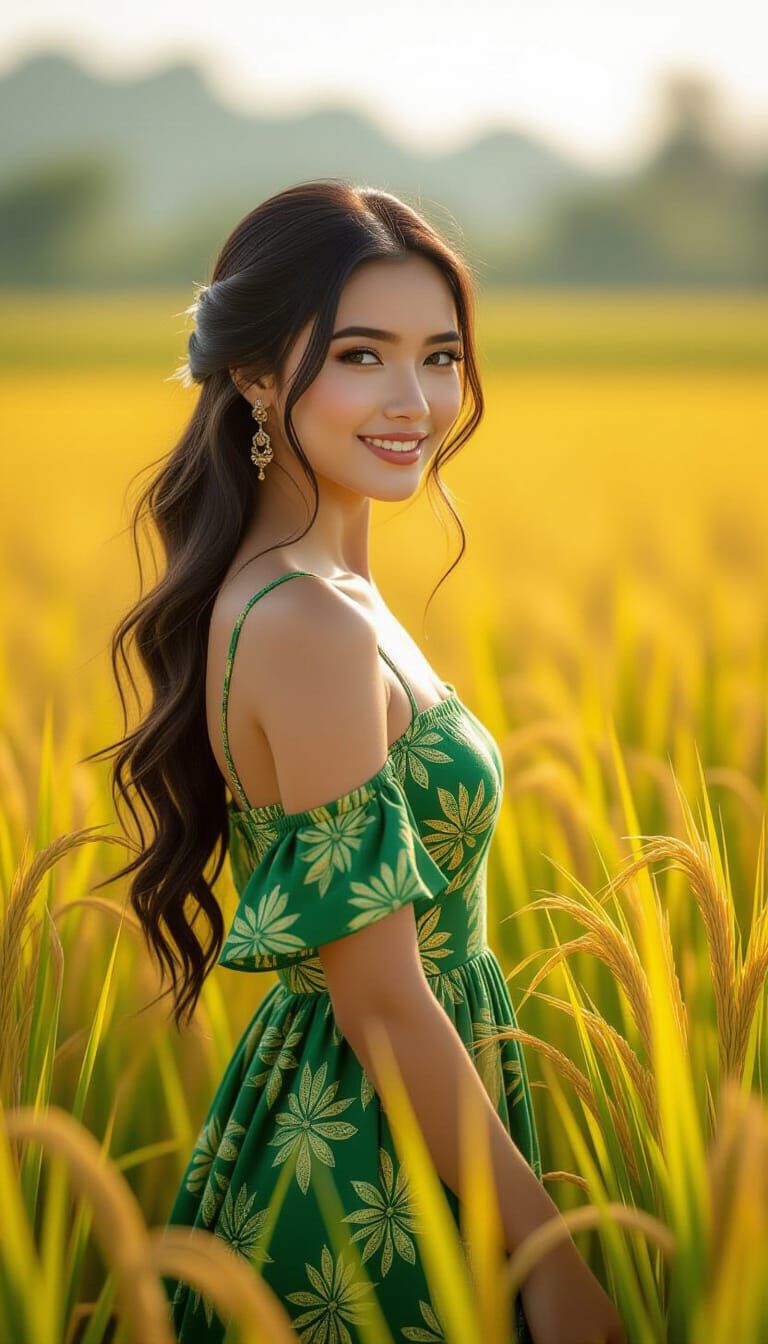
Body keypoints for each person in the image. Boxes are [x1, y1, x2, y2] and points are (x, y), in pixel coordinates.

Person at [98, 181, 625, 1344]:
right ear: (251, 375)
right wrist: (546, 1260)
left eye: (439, 357)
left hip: (413, 1111)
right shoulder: (309, 624)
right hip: (369, 1155)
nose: (415, 400)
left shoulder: (331, 592)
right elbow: (382, 996)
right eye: (360, 354)